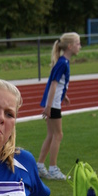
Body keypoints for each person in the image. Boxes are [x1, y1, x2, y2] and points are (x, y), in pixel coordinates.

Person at [37, 32, 81, 180]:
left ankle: (40, 166)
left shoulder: (63, 62)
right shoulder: (62, 63)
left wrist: (64, 96)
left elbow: (59, 84)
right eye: (78, 43)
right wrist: (49, 106)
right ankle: (53, 168)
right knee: (58, 134)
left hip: (54, 102)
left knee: (51, 135)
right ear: (70, 46)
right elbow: (53, 84)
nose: (79, 46)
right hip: (53, 105)